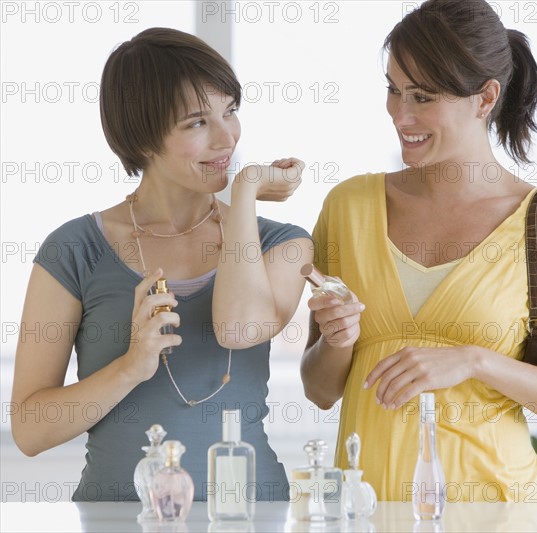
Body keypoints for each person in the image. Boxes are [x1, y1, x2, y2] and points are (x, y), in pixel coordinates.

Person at [301, 0, 537, 503]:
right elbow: (320, 390)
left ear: (485, 98)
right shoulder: (348, 207)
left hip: (499, 512)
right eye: (393, 89)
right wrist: (337, 341)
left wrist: (476, 361)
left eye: (422, 96)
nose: (400, 113)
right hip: (368, 512)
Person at [11, 27, 313, 502]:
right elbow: (30, 431)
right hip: (115, 518)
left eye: (230, 111)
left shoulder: (281, 242)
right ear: (143, 136)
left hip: (250, 515)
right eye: (196, 122)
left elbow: (238, 329)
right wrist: (131, 367)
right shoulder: (72, 250)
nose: (225, 138)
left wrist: (247, 190)